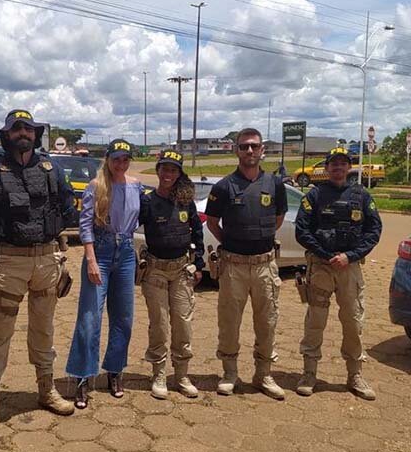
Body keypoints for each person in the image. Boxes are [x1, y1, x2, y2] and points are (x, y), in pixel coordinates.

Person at [0, 109, 77, 438]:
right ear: (7, 134)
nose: (22, 133)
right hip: (8, 263)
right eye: (16, 129)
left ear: (35, 133)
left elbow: (67, 207)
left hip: (46, 261)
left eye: (27, 128)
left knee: (44, 329)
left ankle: (46, 388)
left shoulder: (52, 168)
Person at [205, 128, 288, 400]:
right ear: (236, 150)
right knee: (229, 322)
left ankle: (263, 374)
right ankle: (230, 374)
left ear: (262, 149)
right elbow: (213, 223)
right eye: (244, 147)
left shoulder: (275, 185)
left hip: (265, 265)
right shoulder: (223, 187)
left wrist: (260, 240)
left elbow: (278, 218)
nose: (249, 151)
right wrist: (230, 243)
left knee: (267, 321)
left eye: (254, 146)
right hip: (234, 266)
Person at [294, 146, 382, 400]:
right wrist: (324, 254)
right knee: (315, 322)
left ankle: (355, 375)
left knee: (353, 322)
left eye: (343, 163)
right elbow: (302, 230)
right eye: (334, 164)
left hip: (349, 269)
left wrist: (350, 256)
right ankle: (309, 373)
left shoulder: (362, 196)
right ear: (327, 167)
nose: (338, 168)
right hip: (321, 267)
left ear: (349, 167)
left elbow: (374, 231)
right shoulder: (314, 195)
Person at [66, 140, 144, 409]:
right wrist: (90, 259)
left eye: (125, 159)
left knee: (124, 317)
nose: (120, 164)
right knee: (90, 318)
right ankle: (82, 377)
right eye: (116, 159)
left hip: (125, 253)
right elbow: (84, 224)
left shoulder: (136, 186)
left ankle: (114, 370)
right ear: (107, 159)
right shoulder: (96, 187)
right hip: (100, 250)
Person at [138, 149, 203, 399]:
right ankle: (159, 373)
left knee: (183, 324)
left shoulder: (185, 201)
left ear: (179, 173)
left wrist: (198, 263)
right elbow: (127, 224)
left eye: (173, 170)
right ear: (158, 171)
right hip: (155, 271)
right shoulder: (147, 201)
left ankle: (182, 374)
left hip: (181, 271)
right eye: (164, 168)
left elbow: (197, 231)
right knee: (160, 325)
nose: (168, 174)